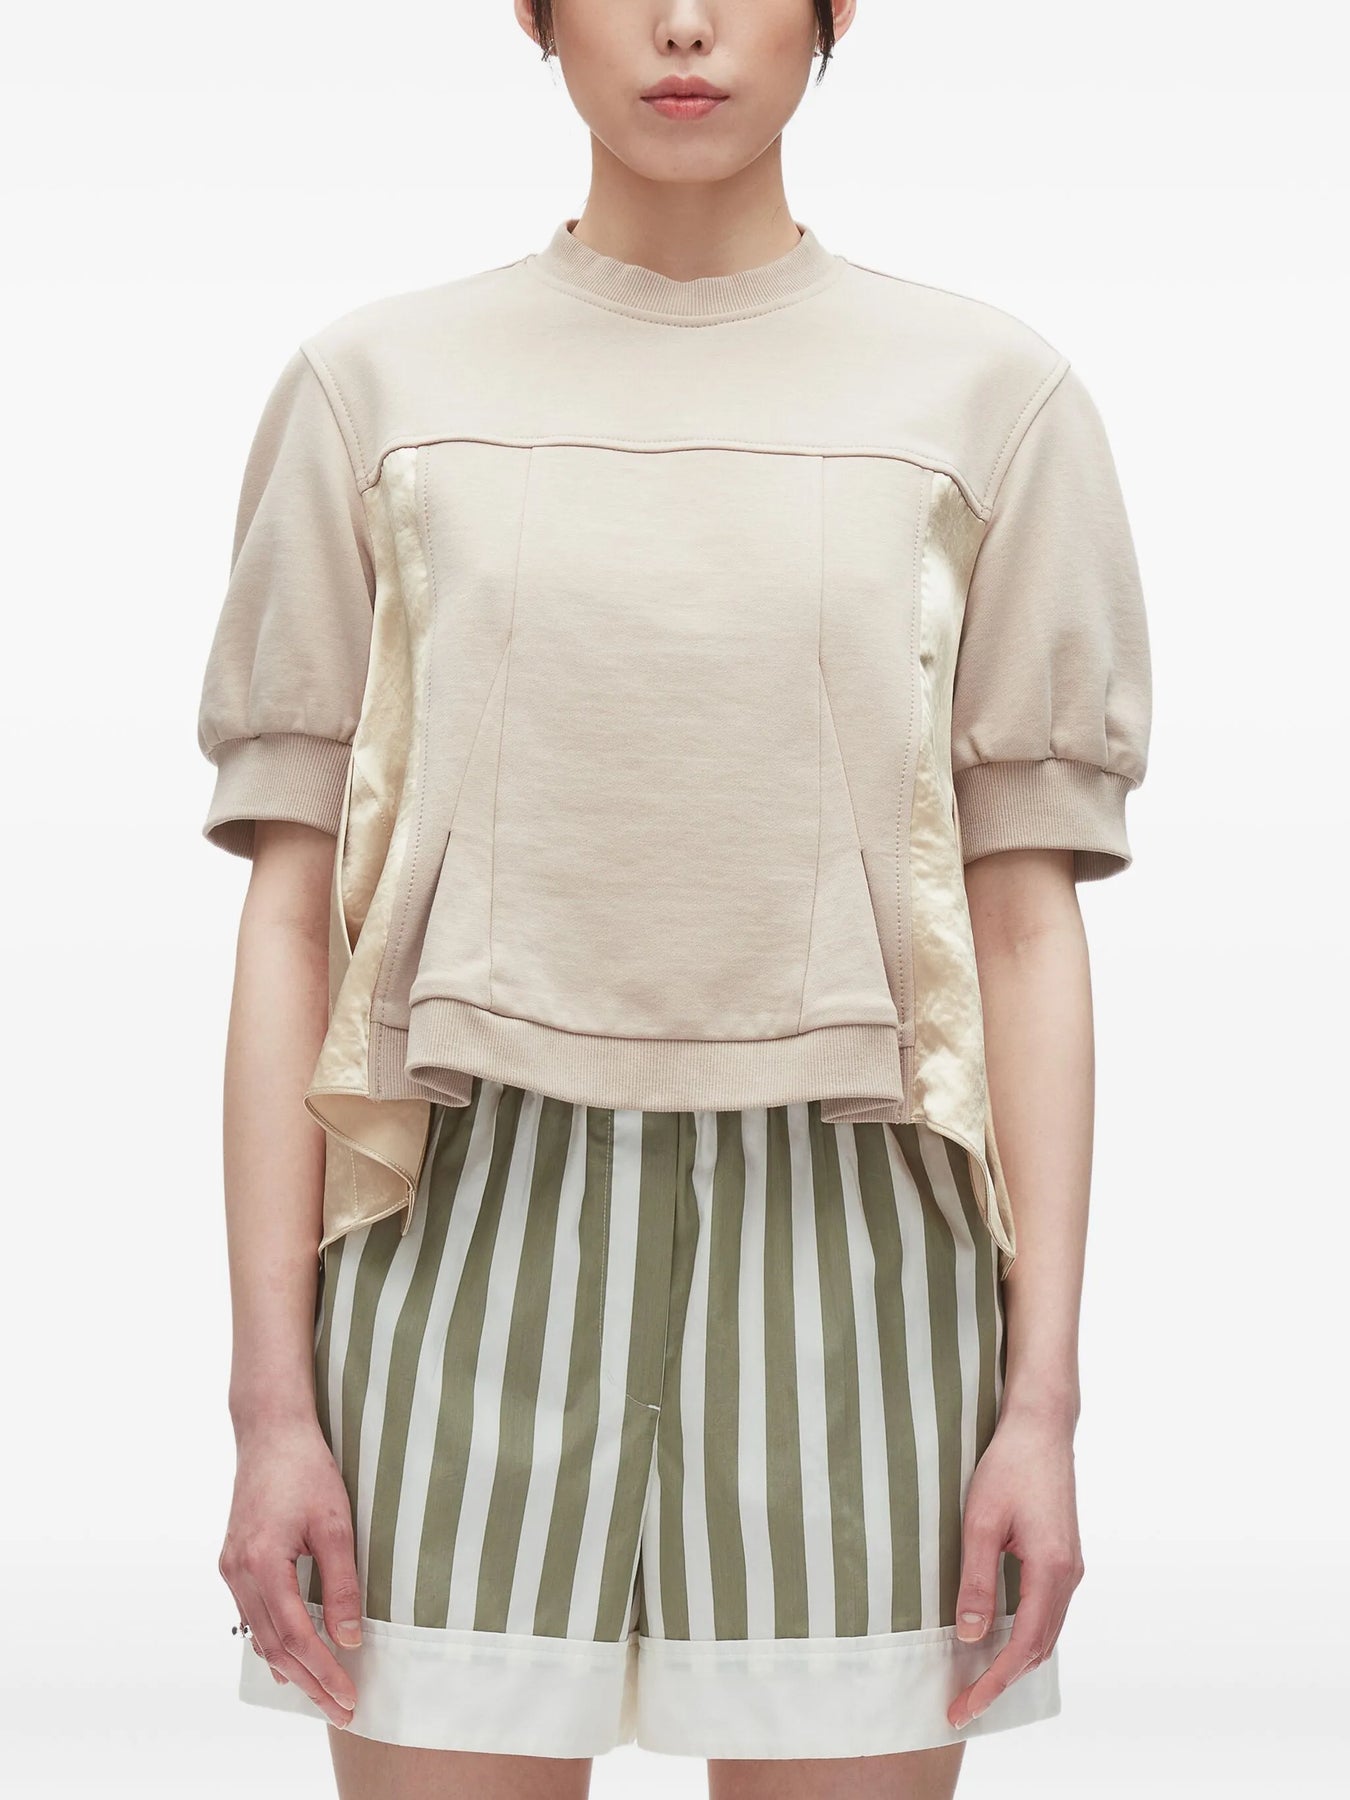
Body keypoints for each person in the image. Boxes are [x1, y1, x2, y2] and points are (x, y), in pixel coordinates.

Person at [196, 2, 1152, 1794]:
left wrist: (1042, 1403)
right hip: (452, 1221)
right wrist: (269, 1407)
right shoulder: (373, 389)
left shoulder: (989, 398)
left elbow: (1027, 929)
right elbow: (288, 914)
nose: (686, 23)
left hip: (859, 1236)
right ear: (535, 12)